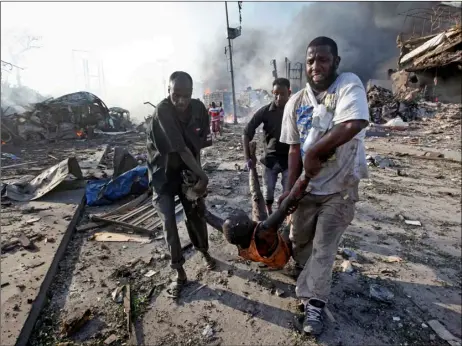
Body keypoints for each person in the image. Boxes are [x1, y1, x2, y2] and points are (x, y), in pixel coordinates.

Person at [279, 36, 370, 336]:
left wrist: (316, 152)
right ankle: (307, 275)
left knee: (324, 248)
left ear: (336, 62)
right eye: (310, 61)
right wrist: (290, 189)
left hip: (340, 188)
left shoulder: (347, 85)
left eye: (323, 59)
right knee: (299, 241)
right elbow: (293, 149)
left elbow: (353, 123)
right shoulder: (296, 102)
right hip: (307, 190)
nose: (316, 66)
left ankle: (314, 305)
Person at [147, 71, 216, 299]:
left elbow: (200, 142)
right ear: (168, 91)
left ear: (192, 93)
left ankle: (204, 251)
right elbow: (181, 148)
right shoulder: (163, 111)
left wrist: (196, 178)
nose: (181, 101)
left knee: (196, 215)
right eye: (176, 95)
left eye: (186, 95)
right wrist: (203, 177)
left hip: (187, 172)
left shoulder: (199, 109)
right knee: (169, 224)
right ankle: (179, 271)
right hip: (163, 175)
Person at [243, 78, 292, 215]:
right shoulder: (265, 111)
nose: (279, 97)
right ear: (272, 92)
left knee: (288, 192)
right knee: (268, 191)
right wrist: (248, 158)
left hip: (289, 159)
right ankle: (269, 213)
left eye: (282, 94)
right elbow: (247, 132)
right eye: (276, 94)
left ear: (289, 93)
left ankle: (285, 216)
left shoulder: (294, 111)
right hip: (269, 159)